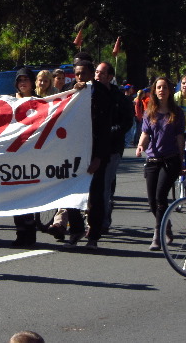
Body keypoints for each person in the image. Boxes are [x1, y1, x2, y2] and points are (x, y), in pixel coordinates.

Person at [64, 60, 112, 250]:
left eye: (84, 73)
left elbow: (105, 129)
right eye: (77, 74)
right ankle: (75, 230)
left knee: (95, 196)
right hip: (72, 151)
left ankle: (93, 235)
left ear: (92, 74)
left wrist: (98, 157)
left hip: (95, 152)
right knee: (70, 192)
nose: (80, 77)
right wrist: (73, 92)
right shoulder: (68, 90)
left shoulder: (102, 93)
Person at [136, 77, 185, 250]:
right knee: (152, 201)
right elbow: (145, 133)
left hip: (170, 160)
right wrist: (141, 146)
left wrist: (181, 160)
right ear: (154, 91)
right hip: (152, 160)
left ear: (170, 91)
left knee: (160, 197)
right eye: (158, 87)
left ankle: (157, 234)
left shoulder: (177, 112)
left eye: (164, 87)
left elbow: (180, 137)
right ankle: (166, 225)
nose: (161, 90)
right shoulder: (150, 112)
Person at [95, 63, 133, 234]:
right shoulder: (87, 94)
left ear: (110, 77)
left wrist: (108, 133)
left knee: (104, 185)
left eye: (102, 73)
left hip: (112, 148)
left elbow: (127, 122)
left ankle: (102, 221)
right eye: (96, 72)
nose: (98, 76)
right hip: (91, 148)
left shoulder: (119, 98)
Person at [12, 67, 40, 246]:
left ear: (32, 82)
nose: (23, 83)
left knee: (29, 193)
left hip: (32, 153)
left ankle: (30, 232)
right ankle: (20, 232)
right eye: (20, 80)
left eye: (26, 79)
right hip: (14, 154)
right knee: (15, 193)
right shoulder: (9, 101)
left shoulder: (41, 102)